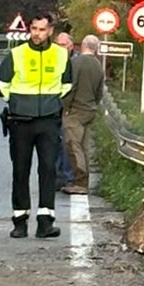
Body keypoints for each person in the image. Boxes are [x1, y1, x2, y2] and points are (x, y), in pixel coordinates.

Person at [0, 13, 71, 239]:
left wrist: (52, 103)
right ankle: (19, 221)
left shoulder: (61, 55)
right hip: (21, 121)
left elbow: (67, 84)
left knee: (48, 169)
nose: (37, 34)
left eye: (42, 29)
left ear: (51, 31)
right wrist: (17, 103)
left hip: (48, 120)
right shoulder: (16, 54)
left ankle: (45, 222)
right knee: (20, 171)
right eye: (34, 29)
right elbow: (0, 84)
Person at [61, 35, 106, 194]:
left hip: (75, 110)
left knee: (73, 146)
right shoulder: (98, 66)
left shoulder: (76, 63)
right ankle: (84, 182)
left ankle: (79, 182)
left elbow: (70, 87)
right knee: (84, 147)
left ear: (83, 46)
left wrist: (64, 107)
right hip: (90, 109)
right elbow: (100, 91)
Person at [54, 32, 77, 189]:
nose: (60, 48)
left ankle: (68, 177)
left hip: (71, 109)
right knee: (54, 144)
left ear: (70, 45)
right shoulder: (53, 60)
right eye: (58, 45)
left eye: (63, 45)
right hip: (53, 109)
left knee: (67, 144)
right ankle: (56, 177)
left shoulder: (77, 62)